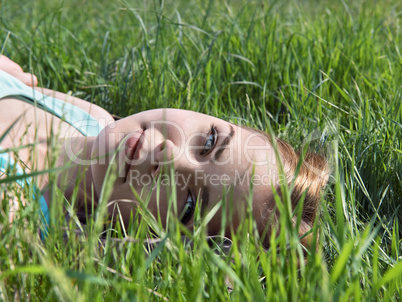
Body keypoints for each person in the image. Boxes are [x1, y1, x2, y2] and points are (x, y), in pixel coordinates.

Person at [0, 55, 329, 249]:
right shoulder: (91, 118)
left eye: (188, 206)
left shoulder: (11, 207)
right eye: (210, 142)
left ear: (154, 241)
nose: (170, 157)